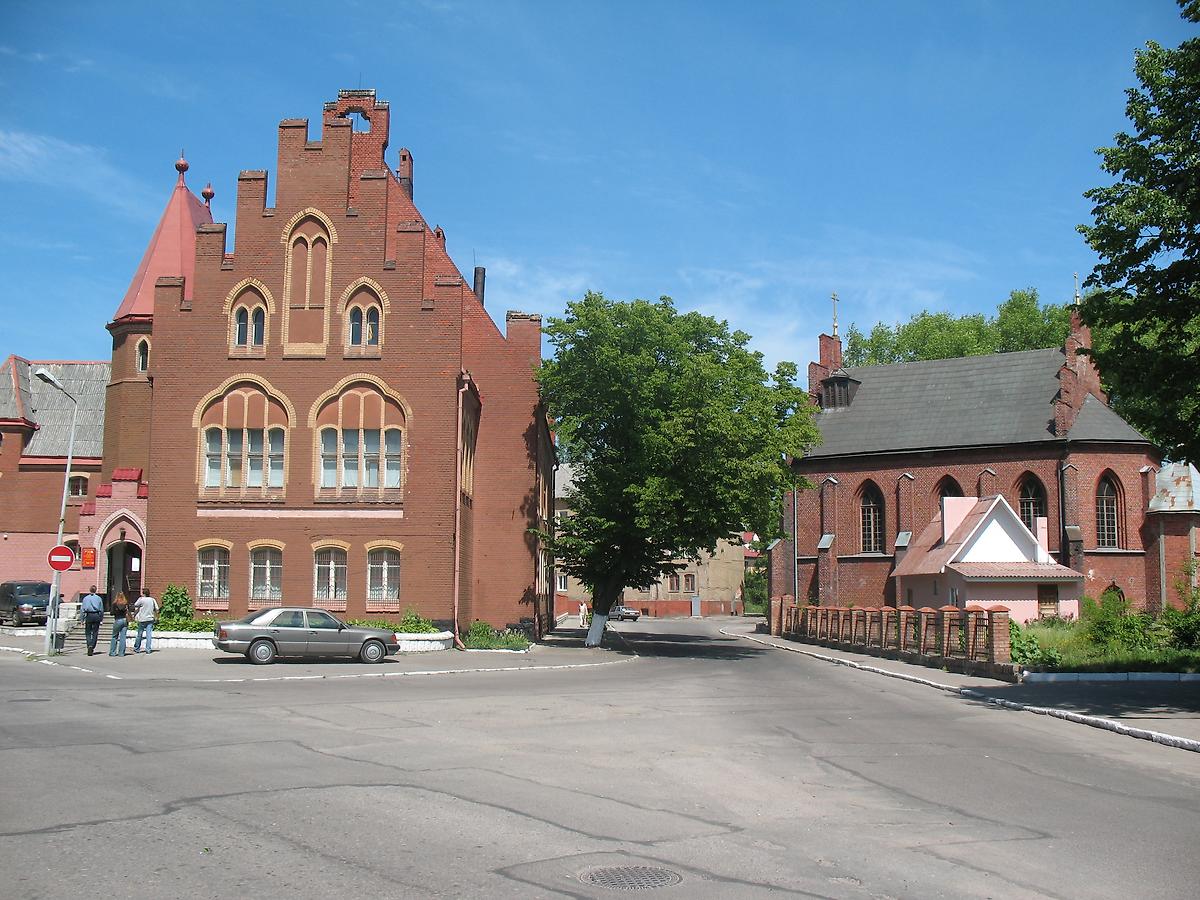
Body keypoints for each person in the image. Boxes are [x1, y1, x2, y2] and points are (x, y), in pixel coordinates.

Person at [132, 588, 159, 654]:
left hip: (142, 619)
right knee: (149, 635)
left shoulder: (141, 599)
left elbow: (135, 604)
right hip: (150, 619)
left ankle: (137, 648)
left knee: (140, 634)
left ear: (143, 593)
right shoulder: (152, 600)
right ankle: (148, 649)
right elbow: (157, 609)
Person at [80, 586, 103, 656]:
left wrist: (82, 619)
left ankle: (89, 644)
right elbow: (101, 609)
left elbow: (82, 609)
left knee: (88, 632)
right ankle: (92, 645)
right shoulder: (98, 598)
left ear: (89, 590)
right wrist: (101, 618)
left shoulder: (85, 598)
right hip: (96, 615)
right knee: (95, 632)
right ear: (96, 590)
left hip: (89, 615)